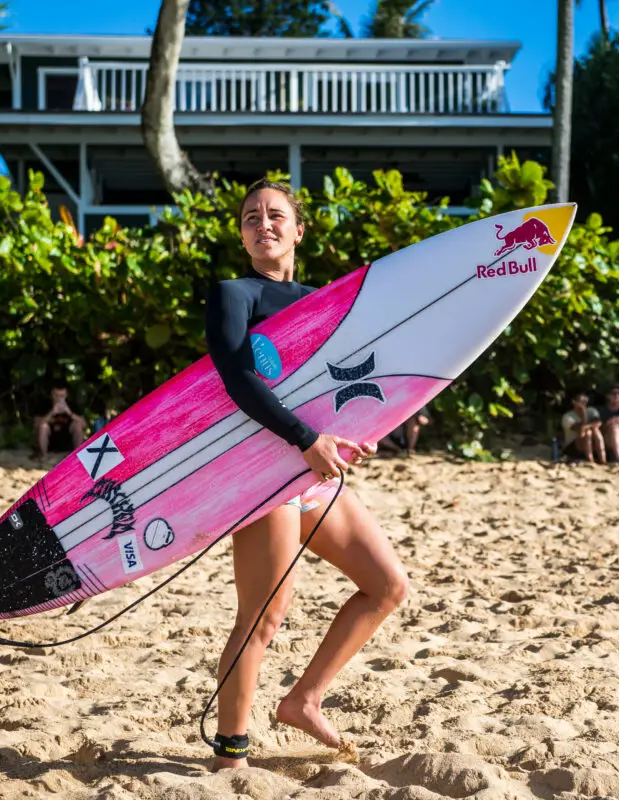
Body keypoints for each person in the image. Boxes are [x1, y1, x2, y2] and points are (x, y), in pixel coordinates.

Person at [203, 178, 409, 771]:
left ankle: (303, 699)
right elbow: (239, 378)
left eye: (275, 215)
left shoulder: (328, 302)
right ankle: (231, 752)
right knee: (265, 613)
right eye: (250, 218)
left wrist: (355, 436)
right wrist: (306, 439)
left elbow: (343, 384)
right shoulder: (233, 294)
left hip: (313, 467)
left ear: (299, 229)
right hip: (264, 465)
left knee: (386, 586)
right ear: (242, 236)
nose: (262, 224)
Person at [34, 382, 86, 460]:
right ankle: (43, 455)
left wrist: (69, 413)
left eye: (62, 396)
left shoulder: (72, 406)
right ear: (51, 394)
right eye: (56, 395)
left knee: (77, 424)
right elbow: (36, 425)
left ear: (66, 395)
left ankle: (77, 456)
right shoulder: (44, 405)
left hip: (67, 442)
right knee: (43, 426)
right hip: (50, 442)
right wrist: (51, 413)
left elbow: (84, 424)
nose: (59, 398)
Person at [560, 392, 605, 463]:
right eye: (581, 401)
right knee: (588, 433)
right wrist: (584, 415)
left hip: (590, 443)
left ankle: (602, 458)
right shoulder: (568, 417)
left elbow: (598, 423)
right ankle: (590, 459)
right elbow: (580, 431)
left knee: (596, 431)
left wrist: (587, 426)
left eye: (585, 401)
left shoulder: (591, 411)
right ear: (574, 402)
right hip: (574, 445)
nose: (583, 403)